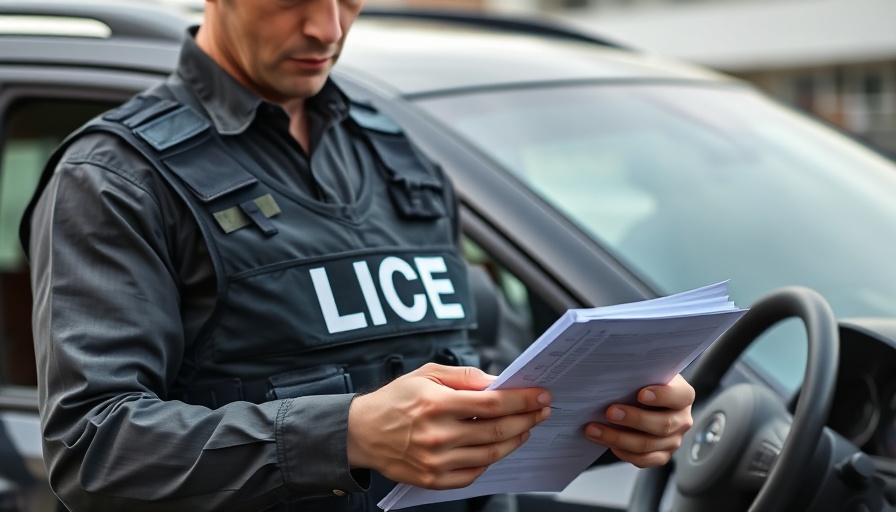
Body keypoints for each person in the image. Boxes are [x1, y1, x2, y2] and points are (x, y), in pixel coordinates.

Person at [20, 1, 697, 511]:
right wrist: (346, 435)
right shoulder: (113, 179)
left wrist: (611, 418)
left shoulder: (399, 156)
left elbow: (485, 378)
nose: (327, 27)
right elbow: (92, 449)